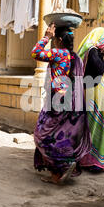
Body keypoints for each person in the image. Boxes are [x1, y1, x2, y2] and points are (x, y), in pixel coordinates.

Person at [32, 23, 92, 185]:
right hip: (73, 105)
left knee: (41, 136)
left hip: (56, 103)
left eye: (54, 39)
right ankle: (58, 173)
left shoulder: (60, 54)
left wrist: (46, 36)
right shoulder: (76, 58)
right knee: (61, 137)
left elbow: (35, 53)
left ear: (59, 39)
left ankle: (62, 166)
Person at [77, 27, 104, 172]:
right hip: (93, 93)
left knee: (91, 126)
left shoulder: (91, 51)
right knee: (95, 127)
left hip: (92, 91)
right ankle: (94, 163)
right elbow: (99, 69)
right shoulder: (91, 51)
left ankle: (89, 160)